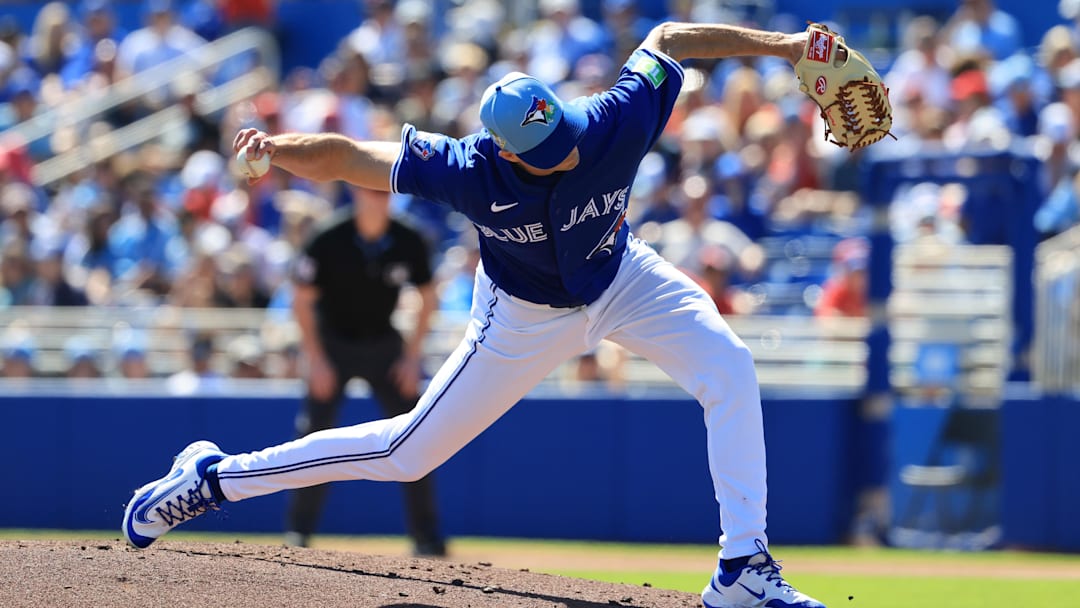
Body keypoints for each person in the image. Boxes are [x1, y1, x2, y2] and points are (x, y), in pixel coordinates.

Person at [123, 20, 825, 608]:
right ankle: (213, 478)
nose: (569, 149)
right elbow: (347, 158)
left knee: (729, 366)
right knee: (405, 453)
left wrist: (788, 45)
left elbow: (672, 36)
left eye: (564, 132)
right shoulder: (468, 168)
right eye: (548, 153)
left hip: (623, 274)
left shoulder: (611, 119)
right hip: (523, 315)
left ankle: (743, 570)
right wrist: (275, 150)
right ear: (507, 152)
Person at [283, 185, 446, 557]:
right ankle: (298, 532)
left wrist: (411, 356)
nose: (379, 198)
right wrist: (316, 358)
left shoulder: (407, 237)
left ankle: (427, 538)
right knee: (312, 437)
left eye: (384, 191)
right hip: (333, 343)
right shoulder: (328, 236)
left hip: (384, 342)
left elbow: (429, 296)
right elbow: (302, 300)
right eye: (371, 190)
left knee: (417, 436)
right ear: (356, 192)